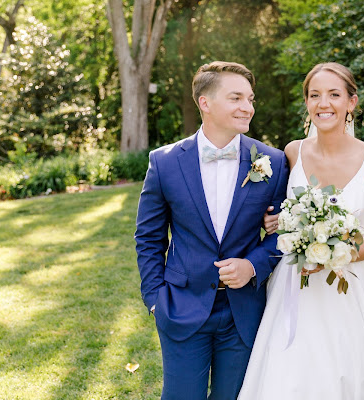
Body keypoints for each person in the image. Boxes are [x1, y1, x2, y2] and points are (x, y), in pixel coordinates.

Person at [238, 62, 364, 399]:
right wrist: (277, 221)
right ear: (307, 103)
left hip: (348, 289)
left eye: (334, 95)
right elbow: (279, 212)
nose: (324, 103)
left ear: (351, 102)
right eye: (315, 95)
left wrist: (339, 254)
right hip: (294, 288)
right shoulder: (292, 153)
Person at [134, 61, 289, 400]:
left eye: (250, 99)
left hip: (244, 311)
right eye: (236, 98)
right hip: (182, 304)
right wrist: (155, 299)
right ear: (205, 103)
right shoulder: (165, 162)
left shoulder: (273, 162)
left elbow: (284, 232)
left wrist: (252, 265)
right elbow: (149, 237)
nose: (247, 107)